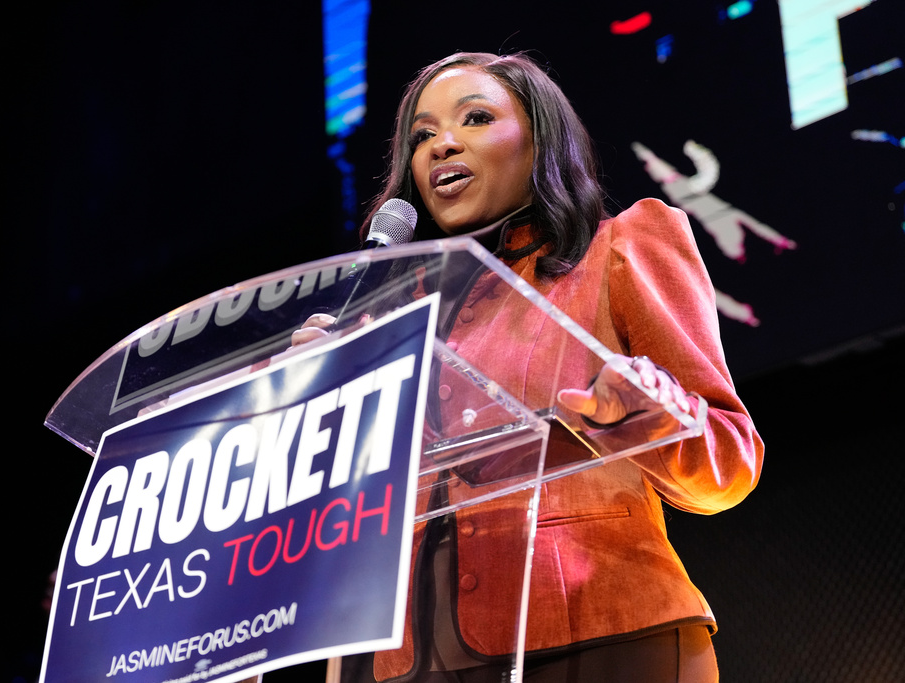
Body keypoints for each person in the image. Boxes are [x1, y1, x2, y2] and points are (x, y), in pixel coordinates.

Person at [299, 52, 763, 683]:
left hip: (598, 640)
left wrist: (652, 414)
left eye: (476, 118)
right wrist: (302, 408)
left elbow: (730, 466)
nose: (442, 146)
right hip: (406, 664)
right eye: (423, 136)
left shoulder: (620, 249)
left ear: (539, 141)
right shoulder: (388, 324)